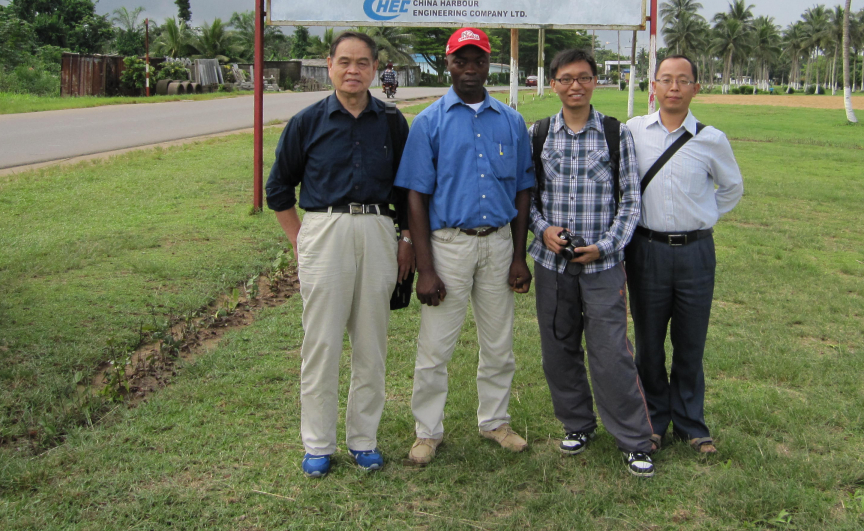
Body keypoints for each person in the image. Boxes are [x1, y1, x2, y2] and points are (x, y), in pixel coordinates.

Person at [265, 30, 414, 478]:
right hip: (323, 229)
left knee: (371, 342)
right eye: (344, 61)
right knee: (322, 342)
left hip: (378, 229)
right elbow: (278, 189)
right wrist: (300, 239)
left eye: (362, 62)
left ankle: (364, 440)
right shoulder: (307, 122)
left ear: (375, 69)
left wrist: (406, 239)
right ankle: (318, 444)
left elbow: (407, 190)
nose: (353, 70)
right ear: (329, 65)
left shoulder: (392, 122)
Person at [394, 27, 536, 465]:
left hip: (498, 244)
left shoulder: (511, 121)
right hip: (449, 246)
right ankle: (427, 431)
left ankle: (495, 421)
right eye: (461, 61)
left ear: (490, 64)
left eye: (478, 61)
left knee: (499, 344)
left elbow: (523, 190)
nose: (470, 69)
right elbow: (415, 196)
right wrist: (426, 268)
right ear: (448, 63)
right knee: (435, 347)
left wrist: (518, 256)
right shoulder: (429, 122)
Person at [528, 48, 656, 478]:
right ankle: (577, 424)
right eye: (566, 79)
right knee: (558, 348)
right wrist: (543, 230)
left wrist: (605, 247)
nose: (575, 86)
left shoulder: (616, 134)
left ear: (595, 82)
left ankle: (635, 440)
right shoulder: (538, 134)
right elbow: (528, 198)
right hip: (553, 264)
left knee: (611, 353)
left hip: (603, 266)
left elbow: (631, 201)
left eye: (583, 77)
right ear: (553, 84)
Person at [625, 55, 744, 455]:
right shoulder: (633, 132)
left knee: (691, 342)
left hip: (696, 253)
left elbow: (732, 188)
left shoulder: (712, 139)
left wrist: (704, 215)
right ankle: (654, 421)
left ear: (696, 88)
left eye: (682, 80)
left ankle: (692, 424)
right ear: (653, 87)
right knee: (649, 344)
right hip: (647, 251)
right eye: (665, 79)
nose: (674, 87)